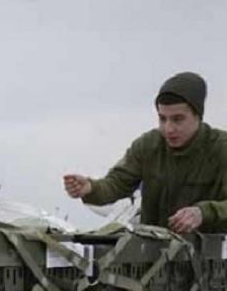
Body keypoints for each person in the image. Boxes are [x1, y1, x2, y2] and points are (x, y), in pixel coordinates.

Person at [64, 72, 227, 234]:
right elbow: (116, 184)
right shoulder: (149, 146)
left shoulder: (221, 149)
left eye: (178, 119)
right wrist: (91, 188)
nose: (169, 129)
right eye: (163, 119)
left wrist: (203, 212)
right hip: (154, 253)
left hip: (213, 254)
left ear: (198, 116)